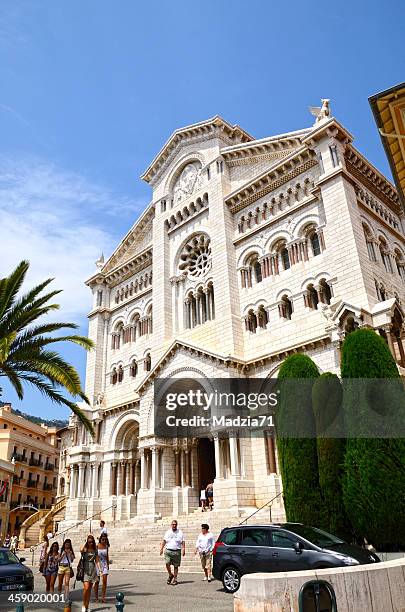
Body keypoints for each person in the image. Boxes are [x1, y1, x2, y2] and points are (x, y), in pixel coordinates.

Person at [160, 519, 185, 586]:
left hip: (177, 551)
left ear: (177, 525)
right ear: (171, 525)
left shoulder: (180, 532)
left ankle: (175, 579)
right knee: (167, 563)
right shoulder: (168, 532)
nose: (174, 526)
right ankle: (171, 575)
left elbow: (183, 541)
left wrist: (183, 549)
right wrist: (161, 549)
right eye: (173, 524)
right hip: (168, 550)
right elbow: (164, 540)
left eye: (175, 524)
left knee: (176, 566)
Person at [80, 534, 102, 612]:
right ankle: (83, 604)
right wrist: (85, 542)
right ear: (87, 542)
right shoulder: (85, 548)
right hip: (85, 568)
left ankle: (87, 606)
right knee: (86, 588)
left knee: (89, 589)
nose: (91, 543)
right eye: (89, 542)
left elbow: (97, 560)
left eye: (92, 542)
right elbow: (81, 550)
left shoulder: (95, 549)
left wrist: (100, 570)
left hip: (92, 569)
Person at [93, 533, 110, 603]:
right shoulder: (97, 546)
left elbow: (107, 556)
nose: (104, 540)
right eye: (103, 539)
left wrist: (108, 565)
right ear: (100, 539)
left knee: (105, 582)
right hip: (98, 565)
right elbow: (94, 556)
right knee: (97, 581)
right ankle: (96, 597)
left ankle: (103, 597)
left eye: (105, 539)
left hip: (105, 564)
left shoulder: (106, 546)